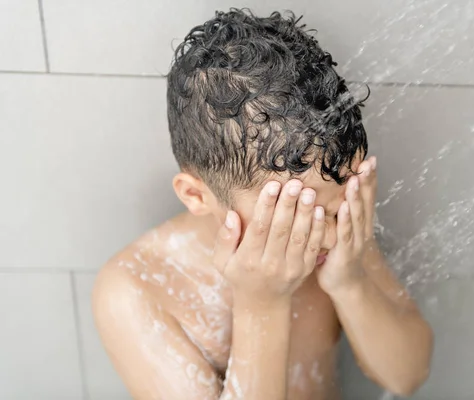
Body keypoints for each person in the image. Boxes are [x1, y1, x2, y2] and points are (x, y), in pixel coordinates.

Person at [93, 8, 433, 400]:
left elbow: (407, 376)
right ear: (196, 196)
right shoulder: (136, 288)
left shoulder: (337, 231)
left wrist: (350, 279)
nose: (324, 234)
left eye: (336, 210)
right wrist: (261, 305)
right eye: (290, 219)